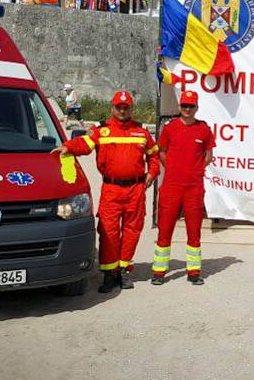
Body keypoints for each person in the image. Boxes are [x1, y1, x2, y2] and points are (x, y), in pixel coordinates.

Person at [52, 90, 159, 293]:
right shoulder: (101, 130)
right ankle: (109, 274)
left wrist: (152, 173)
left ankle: (124, 271)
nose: (122, 110)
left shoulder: (141, 131)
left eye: (126, 107)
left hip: (136, 190)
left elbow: (154, 155)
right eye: (119, 107)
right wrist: (68, 147)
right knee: (108, 232)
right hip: (111, 189)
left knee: (132, 231)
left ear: (131, 109)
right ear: (112, 108)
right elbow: (84, 143)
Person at [152, 90, 216, 285]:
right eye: (184, 105)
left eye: (191, 106)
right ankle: (159, 271)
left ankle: (194, 272)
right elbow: (162, 152)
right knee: (165, 229)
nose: (187, 109)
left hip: (193, 187)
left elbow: (208, 156)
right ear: (179, 107)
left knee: (194, 230)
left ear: (196, 108)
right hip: (171, 186)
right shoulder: (170, 128)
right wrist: (172, 168)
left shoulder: (204, 130)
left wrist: (195, 171)